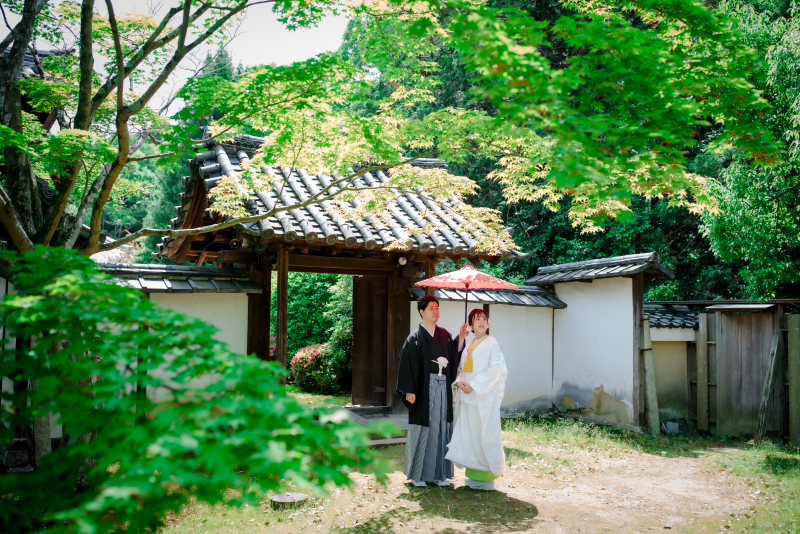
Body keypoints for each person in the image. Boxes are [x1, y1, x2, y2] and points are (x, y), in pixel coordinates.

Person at [396, 295, 467, 487]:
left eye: (438, 308)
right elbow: (407, 365)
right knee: (422, 428)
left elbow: (454, 354)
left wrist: (461, 337)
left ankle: (439, 474)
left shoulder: (445, 335)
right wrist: (409, 390)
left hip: (442, 389)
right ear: (421, 311)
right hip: (422, 390)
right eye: (431, 308)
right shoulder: (414, 338)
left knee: (441, 428)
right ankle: (417, 475)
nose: (436, 311)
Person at [445, 308, 508, 490]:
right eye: (477, 319)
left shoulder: (492, 343)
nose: (481, 321)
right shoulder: (469, 344)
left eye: (484, 319)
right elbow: (460, 368)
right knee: (470, 436)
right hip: (468, 397)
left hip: (482, 398)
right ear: (471, 325)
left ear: (488, 323)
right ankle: (473, 475)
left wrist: (474, 385)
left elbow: (496, 370)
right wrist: (459, 382)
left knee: (484, 435)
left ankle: (486, 476)